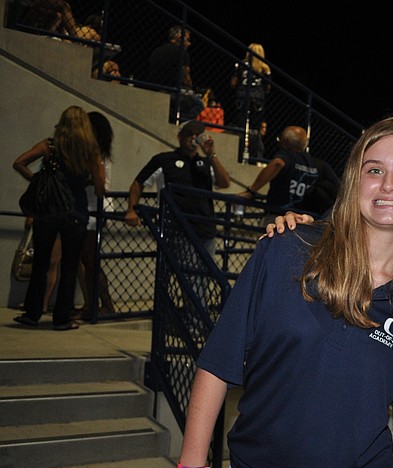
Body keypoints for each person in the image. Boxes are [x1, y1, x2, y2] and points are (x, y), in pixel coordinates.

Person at [172, 115, 393, 468]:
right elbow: (218, 361)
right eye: (374, 169)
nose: (388, 185)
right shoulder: (288, 248)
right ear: (353, 182)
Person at [12, 105, 106, 330]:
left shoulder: (49, 145)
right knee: (70, 266)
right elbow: (100, 188)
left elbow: (19, 162)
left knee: (41, 263)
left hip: (48, 212)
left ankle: (32, 313)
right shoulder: (90, 151)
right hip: (76, 213)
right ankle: (62, 318)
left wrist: (38, 180)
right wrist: (85, 181)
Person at [124, 120, 230, 311]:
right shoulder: (164, 160)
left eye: (197, 135)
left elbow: (224, 183)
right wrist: (131, 209)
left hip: (206, 229)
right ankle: (197, 319)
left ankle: (193, 316)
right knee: (191, 277)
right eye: (189, 134)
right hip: (179, 229)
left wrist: (211, 155)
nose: (193, 138)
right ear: (179, 137)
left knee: (203, 276)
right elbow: (138, 183)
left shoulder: (205, 163)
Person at [239, 125, 340, 224]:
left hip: (279, 218)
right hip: (305, 221)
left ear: (285, 141)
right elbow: (339, 186)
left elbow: (277, 163)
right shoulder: (319, 165)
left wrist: (251, 191)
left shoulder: (287, 156)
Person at [75, 111, 115, 321]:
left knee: (91, 261)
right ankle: (94, 305)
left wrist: (81, 179)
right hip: (91, 209)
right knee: (88, 261)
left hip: (95, 209)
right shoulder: (97, 152)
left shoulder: (97, 154)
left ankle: (104, 305)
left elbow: (101, 184)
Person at [149, 25, 204, 122]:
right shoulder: (182, 52)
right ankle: (180, 121)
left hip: (156, 88)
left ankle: (173, 116)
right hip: (174, 90)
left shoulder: (157, 51)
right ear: (180, 38)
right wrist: (190, 87)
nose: (189, 43)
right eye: (187, 39)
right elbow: (185, 76)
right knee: (198, 104)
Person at [230, 43, 271, 158]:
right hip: (258, 98)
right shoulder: (265, 68)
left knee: (240, 126)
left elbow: (233, 82)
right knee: (255, 129)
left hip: (242, 95)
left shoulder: (241, 64)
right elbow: (268, 87)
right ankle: (254, 155)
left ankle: (238, 153)